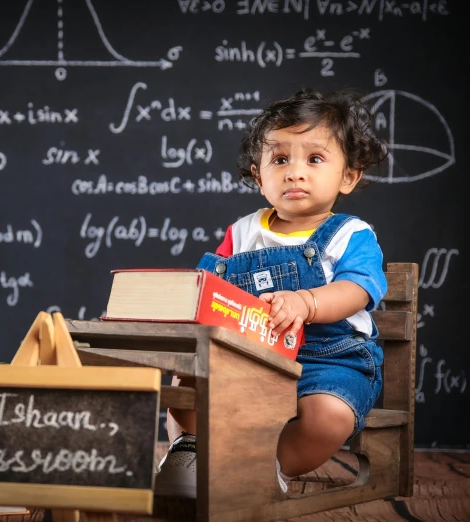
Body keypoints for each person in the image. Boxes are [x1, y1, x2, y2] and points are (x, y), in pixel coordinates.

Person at [154, 88, 389, 498]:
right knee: (188, 380)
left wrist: (308, 302)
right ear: (259, 175)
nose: (295, 172)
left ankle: (269, 466)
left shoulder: (350, 234)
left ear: (348, 176)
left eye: (315, 159)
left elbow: (358, 289)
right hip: (248, 355)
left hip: (329, 358)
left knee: (329, 416)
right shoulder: (242, 231)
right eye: (280, 159)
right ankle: (188, 447)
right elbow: (210, 290)